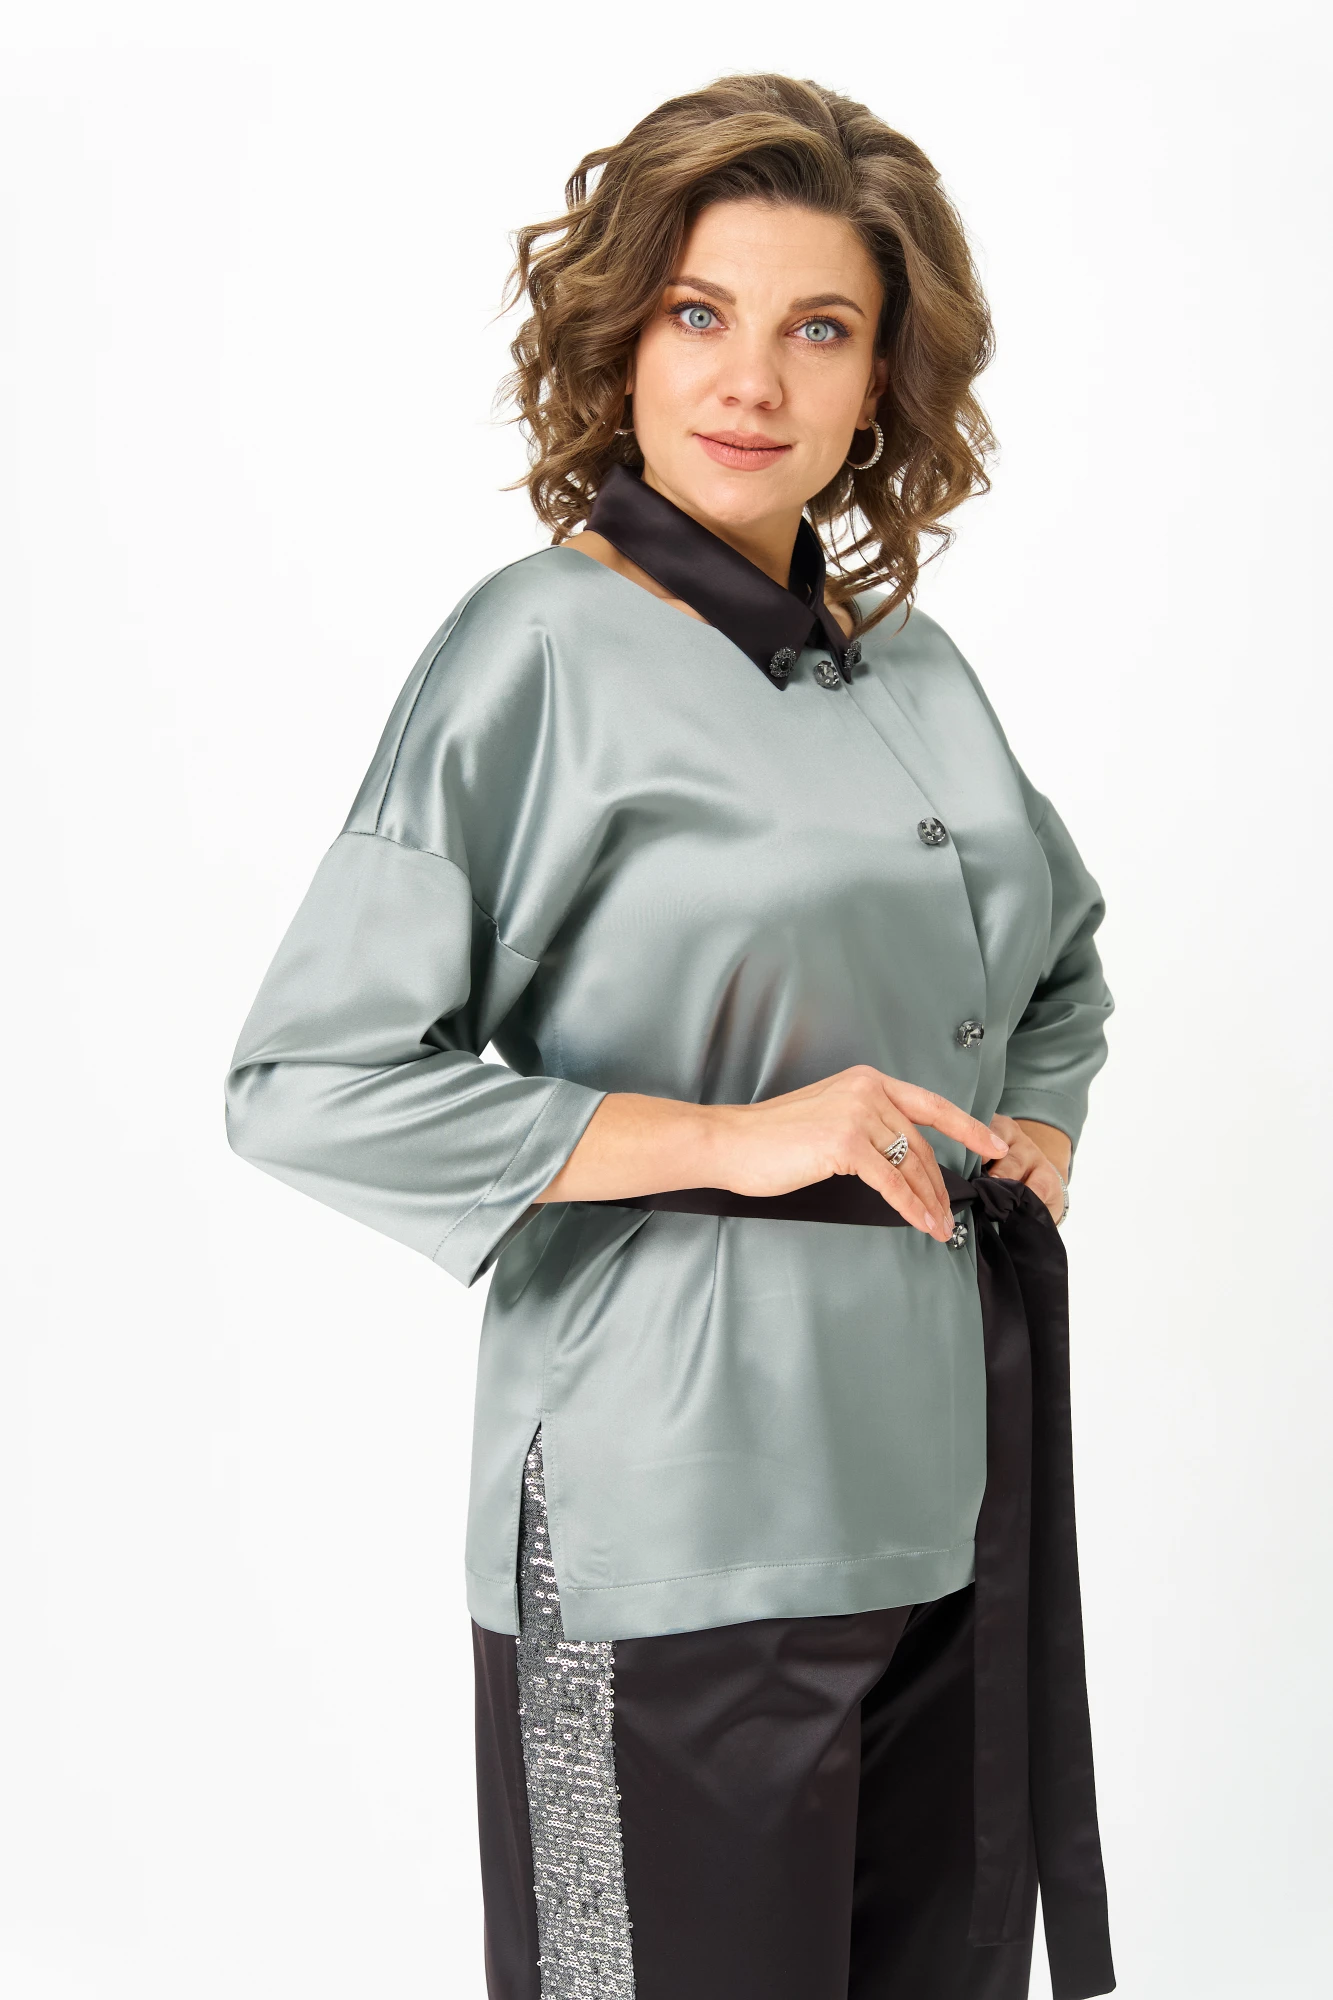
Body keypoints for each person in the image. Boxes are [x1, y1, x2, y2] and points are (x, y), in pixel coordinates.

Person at [224, 72, 1116, 2000]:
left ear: (882, 382)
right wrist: (734, 1135)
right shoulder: (532, 652)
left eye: (822, 329)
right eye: (702, 313)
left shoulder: (917, 673)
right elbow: (307, 1082)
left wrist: (1038, 1120)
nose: (753, 383)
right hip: (669, 1518)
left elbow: (1060, 954)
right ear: (622, 336)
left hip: (944, 1500)